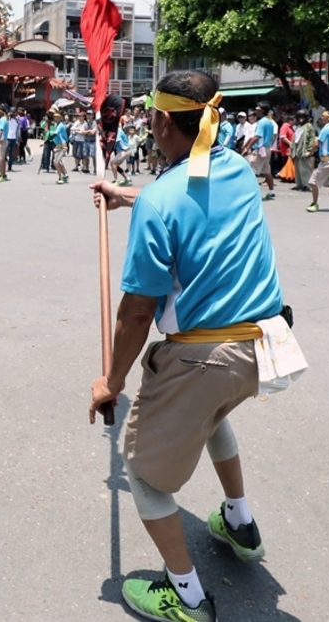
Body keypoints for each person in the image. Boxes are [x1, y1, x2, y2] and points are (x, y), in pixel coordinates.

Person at [90, 70, 299, 622]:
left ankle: (187, 596)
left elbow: (137, 312)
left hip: (205, 358)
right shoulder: (237, 168)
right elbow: (188, 194)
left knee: (142, 474)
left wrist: (111, 382)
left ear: (162, 121)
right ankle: (239, 521)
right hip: (265, 346)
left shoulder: (160, 201)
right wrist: (124, 196)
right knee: (211, 417)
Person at [306, 112, 329, 212]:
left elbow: (317, 143)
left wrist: (309, 153)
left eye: (323, 117)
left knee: (313, 182)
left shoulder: (326, 129)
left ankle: (314, 204)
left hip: (327, 161)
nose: (321, 118)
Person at [242, 104, 276, 199]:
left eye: (258, 110)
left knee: (251, 171)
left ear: (262, 111)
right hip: (267, 149)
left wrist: (247, 148)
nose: (256, 111)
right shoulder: (270, 122)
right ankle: (271, 192)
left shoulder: (261, 122)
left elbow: (257, 136)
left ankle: (250, 193)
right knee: (267, 171)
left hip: (260, 150)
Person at [289, 113, 315, 191]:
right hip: (297, 150)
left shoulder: (309, 126)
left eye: (303, 117)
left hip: (304, 150)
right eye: (299, 117)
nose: (301, 119)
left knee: (305, 169)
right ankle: (299, 184)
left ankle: (306, 185)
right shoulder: (299, 127)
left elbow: (311, 139)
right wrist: (291, 150)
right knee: (298, 169)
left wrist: (309, 150)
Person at [110, 121, 133, 186]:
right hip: (121, 151)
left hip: (126, 150)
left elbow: (116, 142)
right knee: (115, 165)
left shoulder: (118, 131)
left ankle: (116, 180)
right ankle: (127, 179)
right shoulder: (113, 131)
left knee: (113, 163)